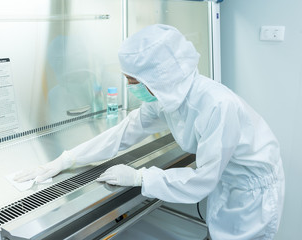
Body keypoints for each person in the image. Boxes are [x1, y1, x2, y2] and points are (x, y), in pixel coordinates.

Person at [15, 24, 285, 239]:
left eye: (133, 80)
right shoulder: (168, 98)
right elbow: (123, 132)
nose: (131, 86)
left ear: (158, 77)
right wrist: (67, 159)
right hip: (226, 183)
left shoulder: (216, 105)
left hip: (252, 192)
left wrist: (140, 177)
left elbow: (202, 181)